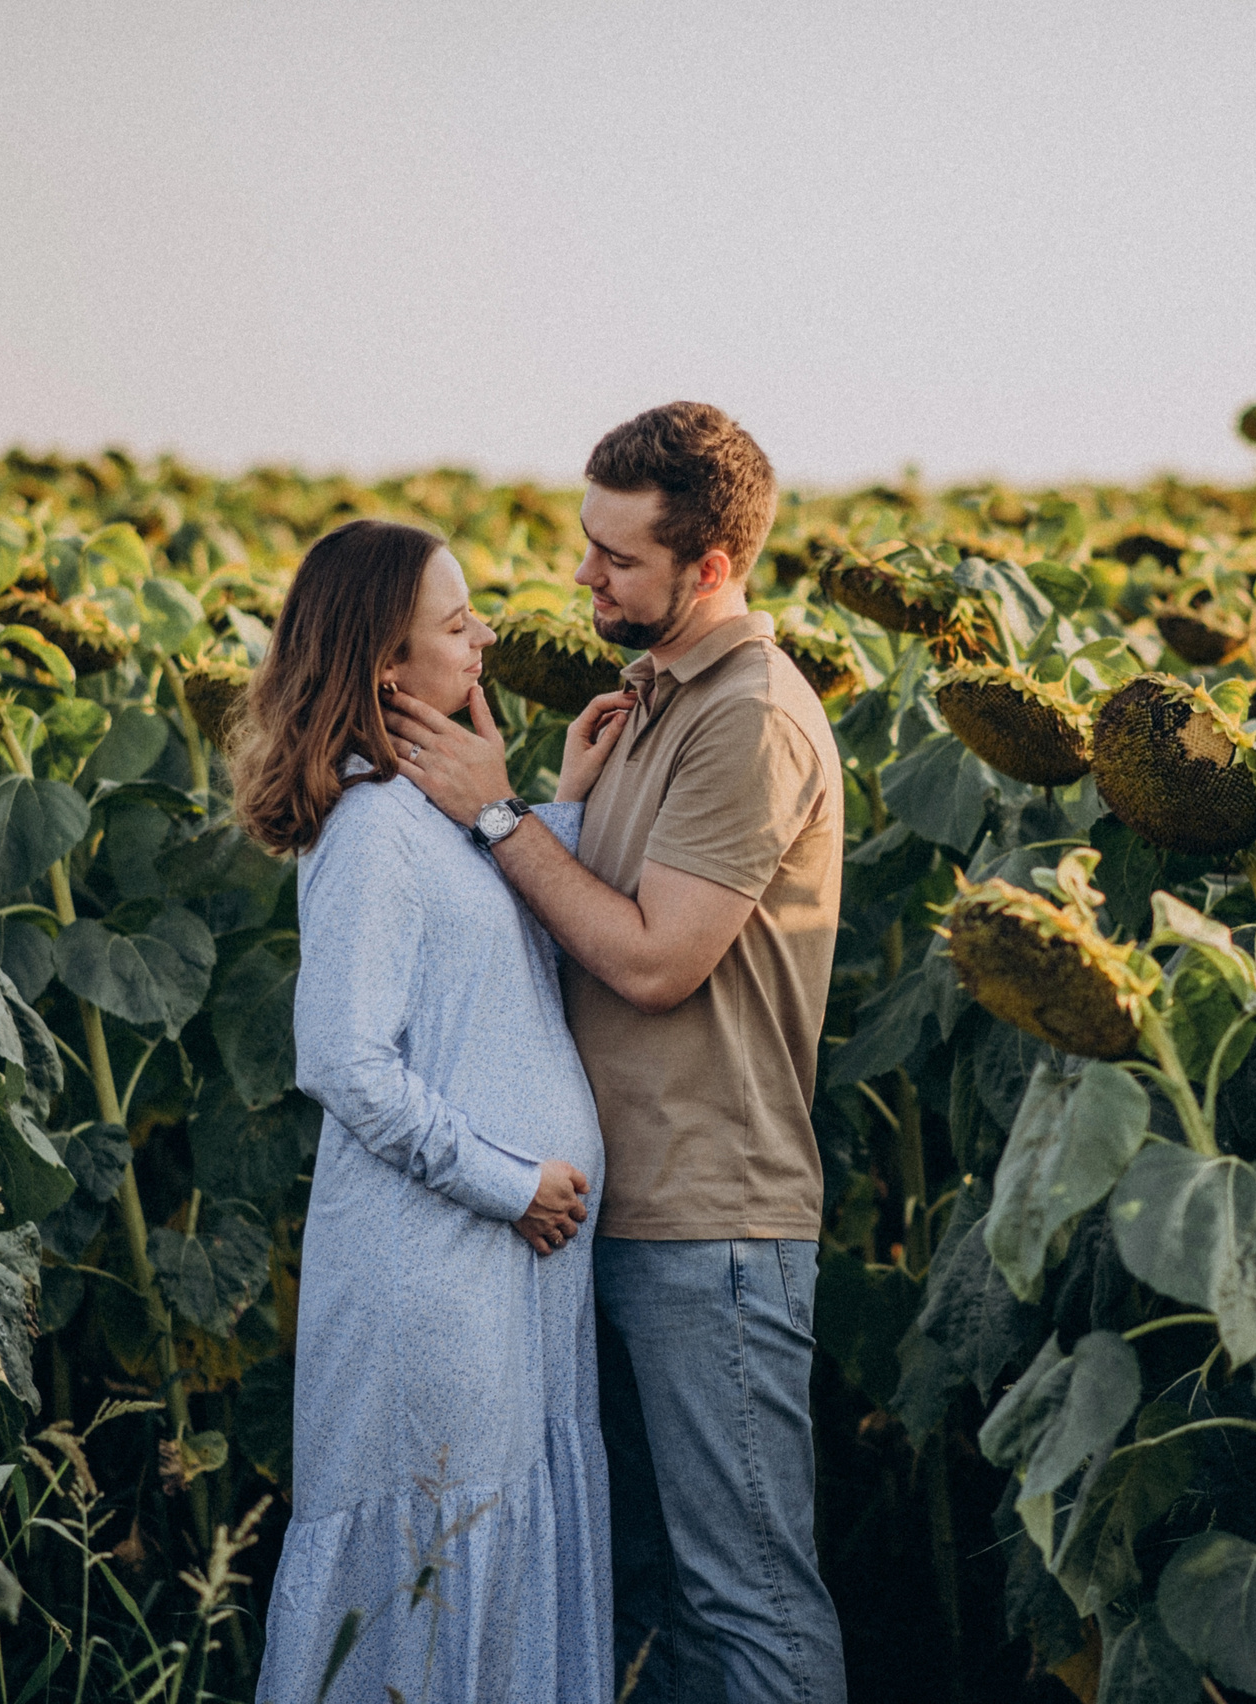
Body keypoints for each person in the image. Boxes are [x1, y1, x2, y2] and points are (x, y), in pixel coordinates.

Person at [390, 401, 849, 1704]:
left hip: (714, 1221)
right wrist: (562, 802)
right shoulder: (653, 698)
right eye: (585, 542)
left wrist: (489, 812)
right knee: (673, 1592)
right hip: (625, 1208)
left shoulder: (747, 717)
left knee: (748, 1598)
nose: (583, 575)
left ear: (710, 568)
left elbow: (654, 960)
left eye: (618, 558)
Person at [235, 518, 633, 1704]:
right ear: (385, 671)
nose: (487, 637)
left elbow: (499, 967)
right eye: (456, 627)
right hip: (443, 1260)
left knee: (494, 1545)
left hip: (511, 1269)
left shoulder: (434, 814)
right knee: (436, 1556)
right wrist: (508, 1183)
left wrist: (547, 797)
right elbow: (344, 1064)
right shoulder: (368, 831)